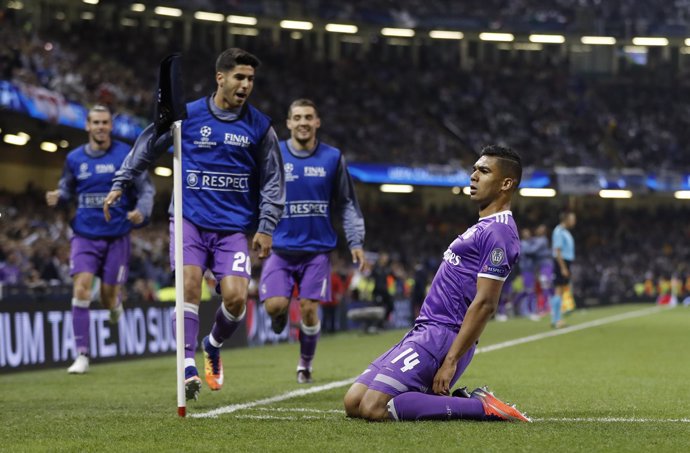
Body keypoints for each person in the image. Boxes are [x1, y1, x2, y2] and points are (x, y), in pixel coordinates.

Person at [103, 48, 285, 400]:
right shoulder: (187, 116)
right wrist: (121, 181)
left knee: (235, 300)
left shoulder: (260, 127)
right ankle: (187, 367)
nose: (246, 85)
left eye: (250, 79)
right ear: (220, 78)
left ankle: (212, 345)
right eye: (239, 78)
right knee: (188, 284)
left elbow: (274, 180)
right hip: (189, 218)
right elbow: (148, 144)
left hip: (233, 228)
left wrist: (266, 225)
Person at [343, 145, 530, 422]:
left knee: (373, 408)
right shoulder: (481, 226)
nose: (473, 175)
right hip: (425, 330)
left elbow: (486, 303)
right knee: (353, 402)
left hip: (444, 335)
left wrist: (452, 359)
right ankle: (443, 400)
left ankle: (483, 407)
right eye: (475, 169)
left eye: (484, 171)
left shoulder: (499, 233)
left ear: (506, 183)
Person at [259, 98, 365, 384]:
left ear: (317, 122)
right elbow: (259, 194)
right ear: (289, 123)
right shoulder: (274, 154)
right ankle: (278, 315)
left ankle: (305, 364)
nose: (303, 122)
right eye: (298, 117)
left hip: (317, 251)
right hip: (281, 249)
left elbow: (346, 203)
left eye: (309, 117)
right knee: (274, 305)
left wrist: (355, 241)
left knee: (308, 308)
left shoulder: (332, 157)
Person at [46, 104, 155, 374]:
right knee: (81, 287)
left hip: (117, 236)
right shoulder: (73, 159)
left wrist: (142, 211)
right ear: (87, 126)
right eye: (95, 122)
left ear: (111, 125)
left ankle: (114, 303)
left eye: (105, 122)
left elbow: (145, 190)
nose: (100, 127)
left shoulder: (126, 155)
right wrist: (58, 195)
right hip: (84, 234)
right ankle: (81, 355)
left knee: (107, 296)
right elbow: (66, 187)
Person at [550, 211, 576, 328]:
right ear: (566, 219)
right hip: (561, 262)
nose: (574, 221)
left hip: (565, 262)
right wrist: (563, 268)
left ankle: (558, 318)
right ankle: (556, 319)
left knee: (560, 291)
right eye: (572, 218)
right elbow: (558, 251)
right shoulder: (559, 231)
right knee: (558, 290)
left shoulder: (565, 231)